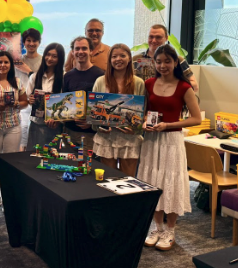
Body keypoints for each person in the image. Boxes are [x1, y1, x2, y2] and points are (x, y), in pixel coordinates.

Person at [139, 44, 203, 251]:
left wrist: (168, 125)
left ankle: (170, 230)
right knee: (153, 182)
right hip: (151, 141)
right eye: (158, 62)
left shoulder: (184, 88)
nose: (163, 65)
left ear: (176, 63)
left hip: (172, 141)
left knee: (171, 183)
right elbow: (142, 113)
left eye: (167, 61)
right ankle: (157, 227)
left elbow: (196, 119)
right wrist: (142, 124)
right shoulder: (148, 84)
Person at [92, 43, 145, 177]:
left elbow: (143, 113)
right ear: (110, 60)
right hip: (107, 138)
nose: (118, 59)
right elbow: (93, 113)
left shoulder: (138, 82)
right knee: (107, 179)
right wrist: (100, 127)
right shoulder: (100, 81)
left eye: (122, 55)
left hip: (130, 139)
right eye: (114, 56)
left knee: (128, 180)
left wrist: (136, 128)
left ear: (129, 58)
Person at [0, 51, 28, 208]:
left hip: (13, 126)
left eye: (6, 62)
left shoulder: (17, 82)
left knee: (10, 162)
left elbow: (25, 102)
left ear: (10, 65)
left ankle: (8, 193)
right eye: (0, 62)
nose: (3, 65)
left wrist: (16, 104)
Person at [63, 36, 106, 147]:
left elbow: (105, 106)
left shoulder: (100, 76)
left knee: (88, 165)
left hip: (90, 136)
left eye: (84, 48)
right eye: (77, 49)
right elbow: (65, 104)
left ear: (91, 51)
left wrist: (91, 122)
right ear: (72, 52)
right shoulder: (67, 76)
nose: (80, 52)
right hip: (69, 132)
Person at [134, 24, 199, 92]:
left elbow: (195, 86)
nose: (153, 40)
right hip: (141, 101)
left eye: (158, 37)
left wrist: (171, 85)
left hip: (168, 100)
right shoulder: (136, 60)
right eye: (151, 37)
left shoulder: (177, 60)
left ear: (166, 38)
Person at [26, 42, 65, 149]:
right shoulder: (34, 76)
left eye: (54, 56)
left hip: (53, 126)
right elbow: (28, 98)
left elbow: (65, 104)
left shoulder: (64, 78)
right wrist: (31, 100)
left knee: (51, 158)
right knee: (33, 156)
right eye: (47, 54)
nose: (49, 58)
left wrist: (57, 120)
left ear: (60, 58)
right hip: (36, 124)